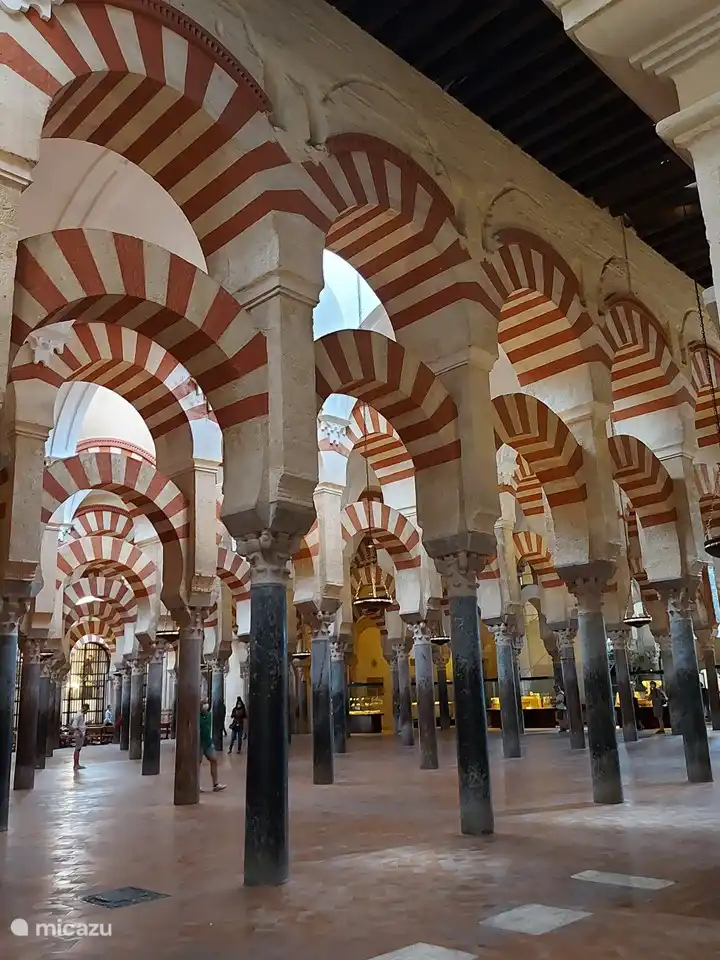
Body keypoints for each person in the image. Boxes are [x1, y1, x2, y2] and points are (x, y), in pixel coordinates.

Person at [199, 700, 226, 792]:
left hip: (208, 742)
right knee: (197, 763)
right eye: (203, 704)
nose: (206, 706)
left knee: (214, 760)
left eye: (206, 703)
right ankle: (196, 785)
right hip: (199, 743)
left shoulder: (209, 715)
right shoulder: (197, 716)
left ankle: (216, 784)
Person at [71, 703, 90, 770]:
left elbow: (80, 724)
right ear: (84, 708)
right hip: (79, 734)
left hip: (80, 733)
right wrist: (80, 732)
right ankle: (76, 765)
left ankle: (77, 764)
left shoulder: (81, 715)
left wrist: (86, 723)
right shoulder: (79, 715)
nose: (87, 711)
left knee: (78, 749)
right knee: (77, 749)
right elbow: (74, 725)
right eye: (87, 710)